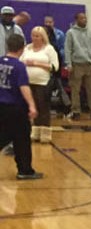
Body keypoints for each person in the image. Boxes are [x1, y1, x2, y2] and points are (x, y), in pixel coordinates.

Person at [1, 34, 41, 179]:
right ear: (22, 48)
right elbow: (23, 87)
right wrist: (32, 106)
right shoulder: (19, 66)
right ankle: (25, 170)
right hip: (15, 107)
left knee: (3, 135)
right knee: (22, 139)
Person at [20, 27, 57, 144]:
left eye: (37, 36)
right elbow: (20, 61)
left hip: (43, 83)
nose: (34, 38)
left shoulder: (49, 49)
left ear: (43, 37)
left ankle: (45, 132)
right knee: (33, 107)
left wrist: (36, 63)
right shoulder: (27, 48)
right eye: (33, 35)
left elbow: (54, 66)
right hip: (28, 83)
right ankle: (34, 131)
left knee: (43, 107)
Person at [65, 12, 91, 120]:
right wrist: (69, 64)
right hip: (76, 64)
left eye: (85, 18)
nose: (84, 20)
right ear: (76, 20)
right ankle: (75, 111)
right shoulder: (71, 33)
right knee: (75, 89)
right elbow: (68, 49)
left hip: (89, 64)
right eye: (81, 18)